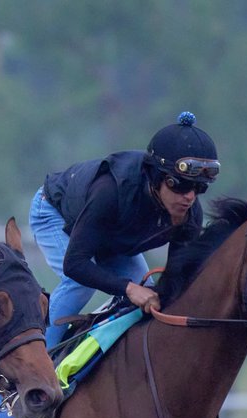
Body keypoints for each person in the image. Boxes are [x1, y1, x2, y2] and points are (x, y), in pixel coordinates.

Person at [29, 111, 220, 349]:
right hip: (54, 212)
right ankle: (39, 366)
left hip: (111, 236)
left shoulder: (189, 215)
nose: (189, 197)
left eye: (199, 188)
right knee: (80, 284)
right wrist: (127, 288)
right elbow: (75, 264)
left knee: (149, 298)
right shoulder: (110, 191)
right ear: (155, 177)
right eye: (179, 185)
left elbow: (177, 282)